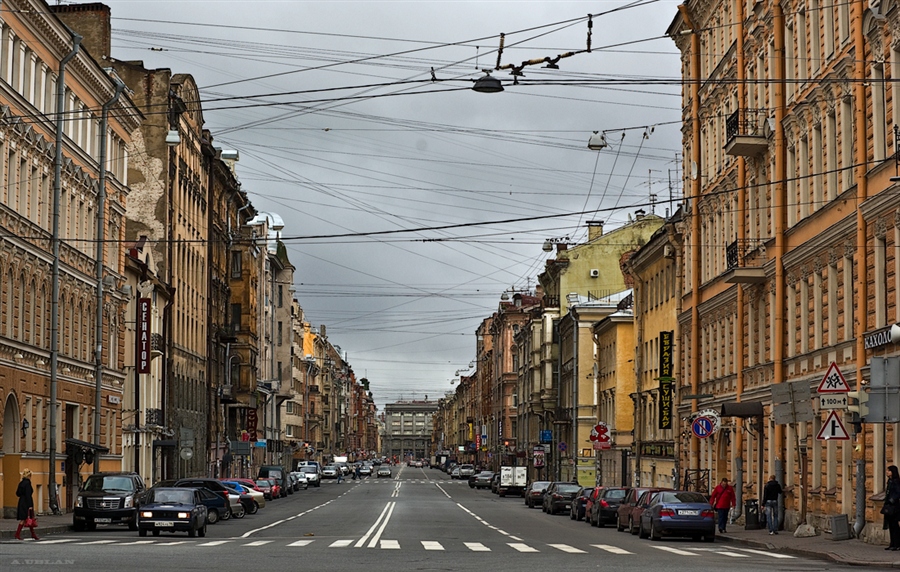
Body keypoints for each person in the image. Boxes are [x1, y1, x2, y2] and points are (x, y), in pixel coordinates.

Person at [15, 468, 38, 541]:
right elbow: (28, 495)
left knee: (27, 519)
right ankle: (18, 534)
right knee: (27, 518)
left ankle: (32, 534)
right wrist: (30, 505)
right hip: (26, 502)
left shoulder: (21, 483)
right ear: (29, 476)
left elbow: (17, 493)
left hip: (21, 501)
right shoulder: (28, 483)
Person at [884, 465, 900, 550]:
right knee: (891, 525)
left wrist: (891, 500)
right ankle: (892, 543)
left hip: (894, 507)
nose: (887, 472)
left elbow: (898, 493)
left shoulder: (896, 481)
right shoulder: (889, 481)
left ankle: (896, 544)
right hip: (889, 506)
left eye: (888, 471)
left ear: (893, 472)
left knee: (894, 525)